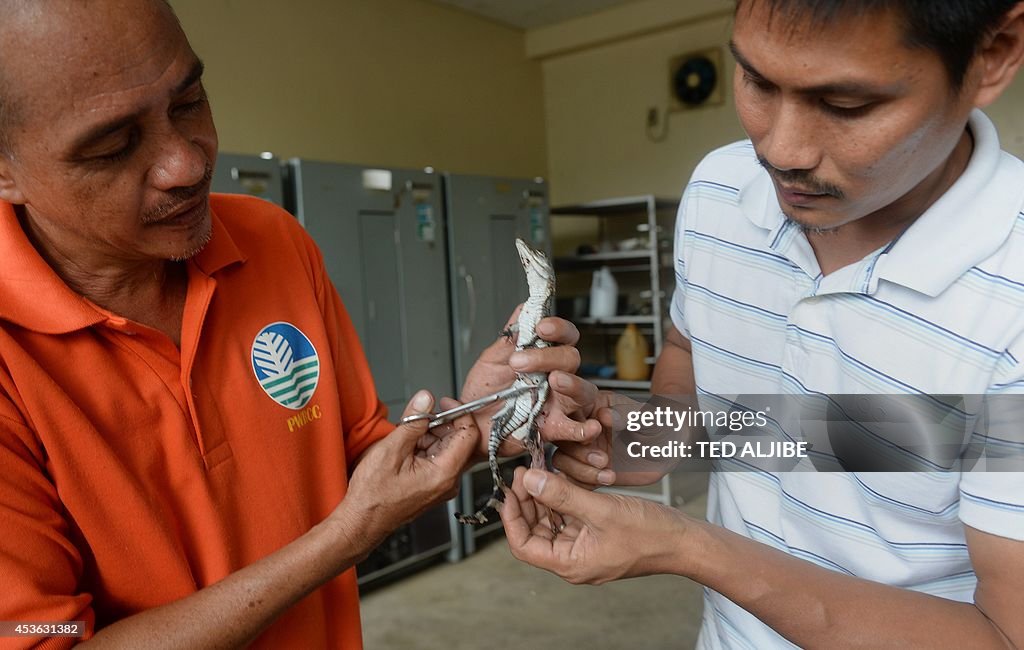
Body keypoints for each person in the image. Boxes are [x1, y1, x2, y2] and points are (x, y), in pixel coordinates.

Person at [0, 1, 600, 647]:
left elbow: (358, 460)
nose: (188, 164)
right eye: (113, 146)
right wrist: (345, 538)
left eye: (189, 101)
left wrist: (476, 421)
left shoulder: (271, 242)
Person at [500, 1, 1024, 648]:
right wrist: (620, 437)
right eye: (756, 81)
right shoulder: (720, 192)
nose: (780, 151)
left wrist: (688, 545)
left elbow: (1002, 635)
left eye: (846, 104)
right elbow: (741, 414)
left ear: (994, 53)